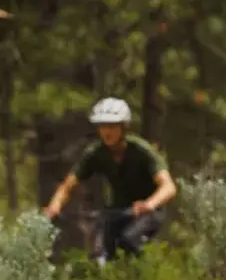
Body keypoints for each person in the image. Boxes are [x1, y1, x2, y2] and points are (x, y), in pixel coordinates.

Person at [43, 96, 177, 262]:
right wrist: (54, 207)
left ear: (123, 127)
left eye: (112, 126)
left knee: (129, 242)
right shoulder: (96, 153)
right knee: (100, 250)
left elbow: (169, 187)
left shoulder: (142, 151)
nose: (107, 131)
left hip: (148, 211)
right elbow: (67, 186)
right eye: (102, 126)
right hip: (118, 210)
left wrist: (149, 204)